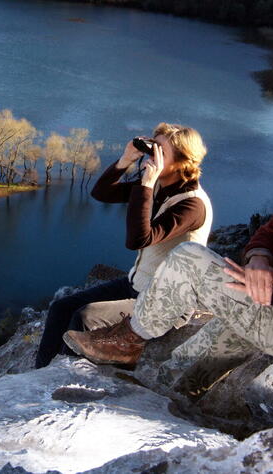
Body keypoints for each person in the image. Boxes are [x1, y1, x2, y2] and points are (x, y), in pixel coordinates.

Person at [63, 89, 273, 394]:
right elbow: (271, 230)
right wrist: (260, 259)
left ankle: (129, 340)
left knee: (190, 257)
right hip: (272, 308)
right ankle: (169, 405)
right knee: (179, 368)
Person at [34, 123, 212, 369]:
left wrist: (146, 186)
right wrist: (126, 159)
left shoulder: (192, 205)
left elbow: (138, 240)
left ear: (183, 162)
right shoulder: (162, 185)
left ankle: (64, 379)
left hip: (166, 303)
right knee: (61, 308)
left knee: (85, 317)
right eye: (153, 147)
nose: (153, 156)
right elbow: (102, 193)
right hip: (137, 285)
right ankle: (41, 374)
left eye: (160, 151)